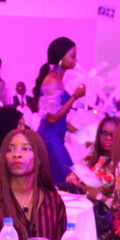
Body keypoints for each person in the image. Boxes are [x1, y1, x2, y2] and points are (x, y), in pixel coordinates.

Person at [34, 37, 86, 186]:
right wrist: (75, 96)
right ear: (61, 58)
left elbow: (59, 117)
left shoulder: (57, 80)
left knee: (66, 181)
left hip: (55, 137)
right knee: (70, 180)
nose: (76, 60)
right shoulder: (52, 81)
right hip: (49, 139)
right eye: (73, 56)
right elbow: (51, 118)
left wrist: (80, 132)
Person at [64, 115, 120, 201]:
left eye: (113, 134)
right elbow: (71, 178)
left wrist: (83, 186)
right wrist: (81, 187)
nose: (108, 138)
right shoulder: (92, 157)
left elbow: (105, 186)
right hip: (82, 201)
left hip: (103, 206)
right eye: (104, 133)